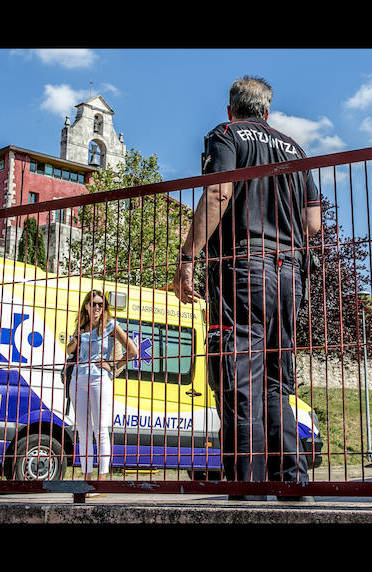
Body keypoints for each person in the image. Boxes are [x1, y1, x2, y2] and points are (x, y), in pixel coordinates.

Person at [172, 76, 321, 501]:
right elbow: (313, 224)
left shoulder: (225, 136)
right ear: (268, 112)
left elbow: (219, 193)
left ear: (230, 110)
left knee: (241, 378)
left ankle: (248, 485)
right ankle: (292, 482)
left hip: (243, 266)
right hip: (291, 272)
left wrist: (188, 258)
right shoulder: (296, 149)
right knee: (278, 381)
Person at [66, 289, 137, 488]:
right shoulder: (82, 328)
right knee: (83, 430)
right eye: (93, 304)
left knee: (101, 430)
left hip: (100, 379)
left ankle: (102, 481)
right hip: (78, 379)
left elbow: (132, 350)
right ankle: (86, 479)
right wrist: (76, 339)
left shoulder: (111, 326)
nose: (97, 307)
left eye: (101, 304)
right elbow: (69, 350)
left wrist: (114, 366)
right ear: (86, 306)